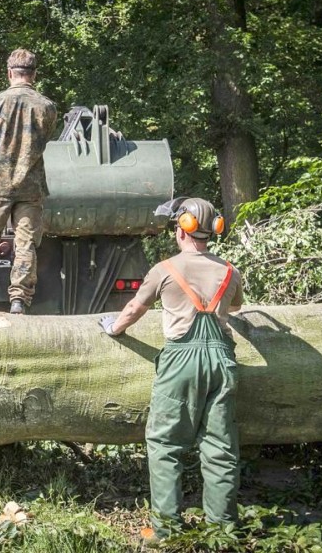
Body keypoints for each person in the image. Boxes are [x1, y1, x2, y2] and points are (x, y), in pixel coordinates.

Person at [99, 197, 243, 545]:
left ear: (182, 229)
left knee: (164, 443)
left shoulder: (165, 269)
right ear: (213, 231)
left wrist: (113, 328)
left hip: (180, 361)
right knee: (221, 448)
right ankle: (221, 532)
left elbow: (135, 307)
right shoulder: (229, 270)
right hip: (222, 360)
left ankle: (165, 530)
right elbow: (236, 306)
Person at [0, 48, 57, 315]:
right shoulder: (47, 106)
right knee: (25, 244)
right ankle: (19, 299)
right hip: (31, 187)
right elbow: (43, 142)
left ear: (9, 73)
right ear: (34, 74)